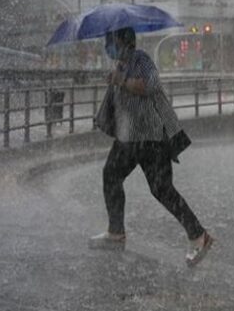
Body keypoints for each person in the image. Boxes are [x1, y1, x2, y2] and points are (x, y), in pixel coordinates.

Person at [91, 27, 213, 268]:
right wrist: (116, 79)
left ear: (123, 42)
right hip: (129, 138)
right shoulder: (122, 64)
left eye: (110, 41)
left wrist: (122, 81)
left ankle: (199, 236)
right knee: (111, 175)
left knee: (162, 189)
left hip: (151, 138)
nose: (107, 47)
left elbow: (151, 84)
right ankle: (116, 232)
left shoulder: (141, 59)